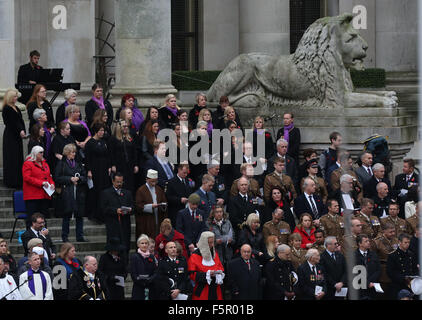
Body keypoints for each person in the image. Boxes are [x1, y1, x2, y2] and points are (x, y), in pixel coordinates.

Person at [54, 143, 88, 242]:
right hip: (67, 192)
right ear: (67, 153)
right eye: (72, 152)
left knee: (79, 215)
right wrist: (69, 179)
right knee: (67, 215)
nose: (74, 154)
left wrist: (79, 179)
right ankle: (65, 236)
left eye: (75, 152)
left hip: (78, 192)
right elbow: (57, 177)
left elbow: (84, 176)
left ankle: (80, 236)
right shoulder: (62, 164)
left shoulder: (78, 164)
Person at [84, 123, 112, 222]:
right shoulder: (90, 143)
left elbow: (108, 155)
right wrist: (89, 170)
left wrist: (109, 166)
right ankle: (94, 213)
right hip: (95, 170)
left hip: (104, 170)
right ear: (96, 131)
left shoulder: (104, 142)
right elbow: (87, 158)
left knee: (104, 191)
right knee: (95, 191)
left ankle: (103, 213)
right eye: (100, 130)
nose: (102, 132)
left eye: (103, 131)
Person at [100, 173, 134, 254]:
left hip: (125, 224)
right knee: (114, 247)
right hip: (113, 225)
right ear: (113, 181)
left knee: (126, 246)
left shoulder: (127, 193)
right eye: (117, 182)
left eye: (121, 182)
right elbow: (103, 208)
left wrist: (130, 210)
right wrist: (115, 210)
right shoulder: (106, 193)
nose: (119, 184)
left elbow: (133, 206)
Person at [22, 146, 55, 223]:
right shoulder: (28, 164)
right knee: (32, 218)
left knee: (43, 218)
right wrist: (41, 183)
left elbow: (49, 176)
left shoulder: (45, 164)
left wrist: (52, 184)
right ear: (35, 153)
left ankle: (43, 234)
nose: (42, 154)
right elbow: (27, 178)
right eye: (40, 152)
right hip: (32, 195)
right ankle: (31, 234)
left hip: (44, 194)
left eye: (43, 152)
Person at [188, 231, 225, 300]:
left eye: (212, 242)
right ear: (204, 243)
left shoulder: (214, 254)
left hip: (216, 289)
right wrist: (207, 274)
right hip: (202, 290)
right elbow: (192, 274)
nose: (211, 245)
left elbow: (220, 267)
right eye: (209, 243)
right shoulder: (194, 256)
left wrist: (218, 273)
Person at [2, 88, 26, 188]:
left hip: (17, 136)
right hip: (11, 136)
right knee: (12, 157)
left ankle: (18, 179)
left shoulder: (16, 107)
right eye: (14, 96)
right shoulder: (6, 108)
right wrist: (19, 130)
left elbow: (20, 121)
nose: (16, 98)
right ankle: (12, 180)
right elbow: (11, 123)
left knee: (18, 157)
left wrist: (23, 130)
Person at [135, 169, 167, 240]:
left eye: (155, 181)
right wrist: (151, 206)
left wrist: (162, 205)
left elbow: (164, 201)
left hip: (158, 217)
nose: (154, 183)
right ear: (147, 179)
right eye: (152, 181)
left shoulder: (159, 189)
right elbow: (138, 206)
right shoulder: (141, 190)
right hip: (146, 220)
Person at [109, 120, 139, 193]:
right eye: (124, 126)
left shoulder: (130, 138)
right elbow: (111, 153)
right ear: (119, 127)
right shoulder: (113, 139)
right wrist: (112, 164)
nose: (126, 128)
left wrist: (136, 164)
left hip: (129, 165)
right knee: (121, 183)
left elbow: (134, 152)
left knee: (130, 184)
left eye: (127, 126)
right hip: (119, 165)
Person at [387, 233, 419, 298]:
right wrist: (403, 278)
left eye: (408, 242)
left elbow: (414, 268)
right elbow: (390, 272)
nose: (407, 244)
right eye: (405, 242)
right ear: (399, 242)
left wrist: (414, 276)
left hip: (411, 284)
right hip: (398, 284)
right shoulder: (393, 255)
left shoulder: (411, 254)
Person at [374, 222, 399, 299]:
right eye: (390, 232)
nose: (393, 233)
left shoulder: (396, 240)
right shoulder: (377, 242)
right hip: (383, 272)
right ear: (384, 231)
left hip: (395, 270)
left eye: (394, 231)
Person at [130, 234, 159, 300]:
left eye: (146, 243)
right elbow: (133, 273)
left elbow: (155, 271)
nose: (144, 245)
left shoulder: (151, 256)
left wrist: (150, 280)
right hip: (138, 287)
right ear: (138, 245)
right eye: (142, 243)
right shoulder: (134, 257)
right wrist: (142, 282)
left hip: (150, 287)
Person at [354, 234, 381, 300]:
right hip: (360, 288)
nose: (369, 243)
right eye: (366, 241)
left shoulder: (373, 254)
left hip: (373, 286)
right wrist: (367, 283)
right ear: (360, 244)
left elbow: (378, 270)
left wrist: (371, 282)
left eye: (368, 241)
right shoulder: (353, 256)